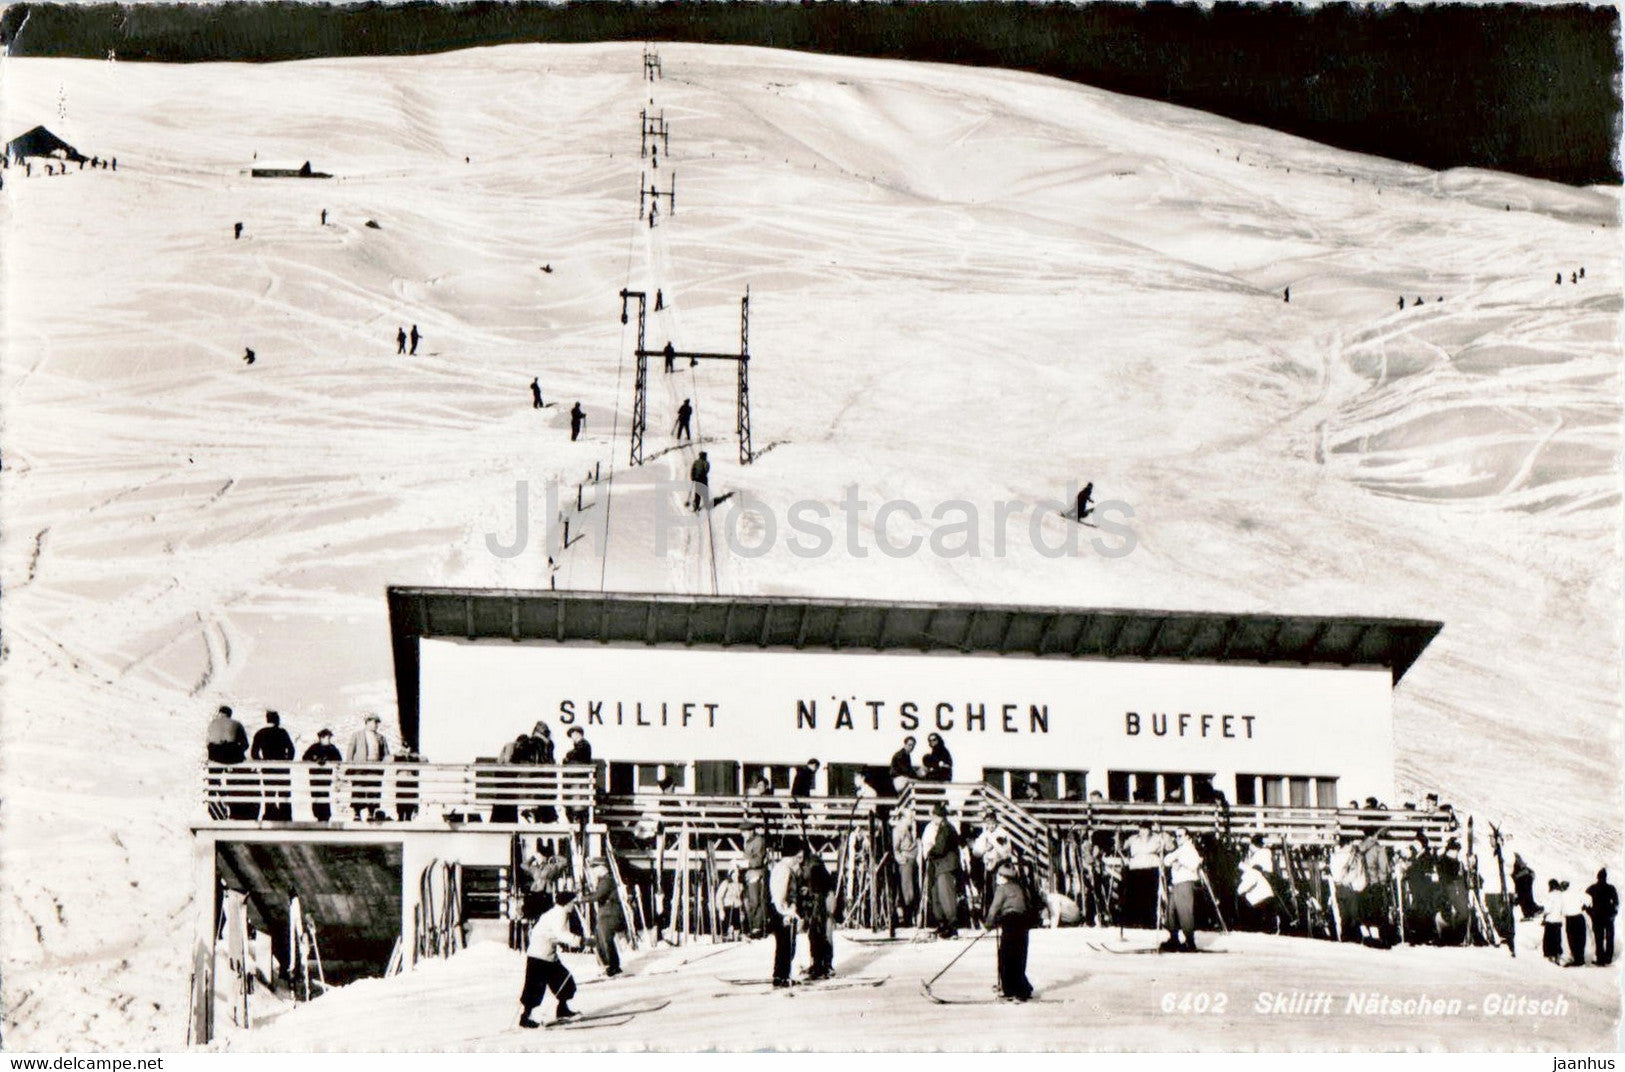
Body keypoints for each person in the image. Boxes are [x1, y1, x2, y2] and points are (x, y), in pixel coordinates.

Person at [518, 889, 583, 1026]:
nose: (574, 905)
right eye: (573, 902)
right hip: (539, 956)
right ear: (566, 903)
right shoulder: (558, 915)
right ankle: (525, 1018)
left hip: (548, 955)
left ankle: (563, 1010)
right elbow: (561, 934)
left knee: (565, 982)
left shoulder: (558, 912)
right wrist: (581, 941)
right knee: (534, 989)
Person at [985, 862, 1035, 1000]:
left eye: (998, 876)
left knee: (1006, 956)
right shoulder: (1022, 888)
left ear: (1003, 877)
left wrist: (989, 923)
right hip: (1023, 923)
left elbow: (994, 908)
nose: (996, 878)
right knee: (1019, 956)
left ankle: (1010, 989)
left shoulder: (1002, 889)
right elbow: (1029, 904)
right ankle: (1022, 988)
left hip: (1010, 922)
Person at [768, 840, 806, 987]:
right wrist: (786, 912)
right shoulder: (784, 870)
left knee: (785, 945)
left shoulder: (782, 868)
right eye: (797, 858)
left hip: (784, 910)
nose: (798, 862)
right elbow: (780, 892)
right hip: (784, 911)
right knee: (786, 945)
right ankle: (781, 976)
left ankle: (782, 974)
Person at [581, 858, 626, 976]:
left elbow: (598, 896)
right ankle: (609, 965)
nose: (593, 872)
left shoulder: (607, 881)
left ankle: (613, 966)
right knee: (601, 940)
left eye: (595, 869)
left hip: (609, 914)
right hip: (605, 914)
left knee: (606, 940)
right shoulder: (603, 881)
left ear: (601, 868)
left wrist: (581, 899)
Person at [924, 803, 962, 937]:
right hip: (940, 866)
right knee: (937, 895)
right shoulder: (943, 827)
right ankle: (943, 924)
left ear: (937, 816)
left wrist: (930, 852)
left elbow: (940, 848)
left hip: (946, 865)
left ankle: (952, 925)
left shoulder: (946, 829)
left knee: (946, 896)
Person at [1162, 828, 1204, 952]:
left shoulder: (1190, 849)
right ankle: (1173, 939)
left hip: (1185, 883)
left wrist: (1180, 862)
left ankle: (1190, 942)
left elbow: (1195, 864)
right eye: (1176, 836)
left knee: (1185, 913)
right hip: (1176, 884)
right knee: (1171, 913)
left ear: (1188, 837)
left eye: (1180, 836)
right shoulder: (1180, 849)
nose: (1177, 838)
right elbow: (1167, 860)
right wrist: (1175, 860)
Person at [251, 711, 296, 821]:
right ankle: (285, 817)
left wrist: (261, 762)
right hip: (282, 768)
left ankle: (270, 814)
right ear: (277, 720)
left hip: (268, 768)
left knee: (269, 793)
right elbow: (291, 749)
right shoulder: (282, 732)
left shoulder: (261, 733)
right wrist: (287, 761)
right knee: (284, 793)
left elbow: (254, 752)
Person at [346, 713, 391, 820]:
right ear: (367, 723)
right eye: (372, 722)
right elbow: (350, 752)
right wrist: (349, 765)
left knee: (373, 790)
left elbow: (386, 754)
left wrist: (382, 765)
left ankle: (371, 812)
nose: (375, 725)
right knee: (358, 789)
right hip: (360, 767)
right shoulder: (357, 735)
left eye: (376, 723)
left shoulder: (381, 737)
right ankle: (357, 813)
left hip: (375, 767)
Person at [801, 848, 836, 980]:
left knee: (818, 933)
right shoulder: (817, 866)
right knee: (822, 934)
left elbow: (817, 888)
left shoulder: (812, 867)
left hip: (821, 904)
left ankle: (820, 964)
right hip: (823, 903)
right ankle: (824, 964)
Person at [1236, 835, 1279, 934]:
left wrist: (1239, 891)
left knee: (1247, 905)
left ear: (1252, 845)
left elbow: (1252, 875)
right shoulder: (1266, 854)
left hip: (1260, 895)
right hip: (1266, 892)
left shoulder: (1258, 857)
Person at [302, 728, 342, 821]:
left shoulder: (332, 748)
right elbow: (305, 758)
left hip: (326, 777)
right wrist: (315, 760)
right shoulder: (314, 747)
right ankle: (317, 814)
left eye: (329, 737)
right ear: (321, 738)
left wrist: (327, 761)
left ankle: (325, 816)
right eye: (326, 737)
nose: (328, 739)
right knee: (315, 794)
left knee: (324, 794)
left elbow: (339, 759)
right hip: (315, 777)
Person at [891, 808, 919, 925]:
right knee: (907, 890)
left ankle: (909, 916)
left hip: (912, 861)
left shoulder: (909, 829)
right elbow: (895, 848)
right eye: (909, 817)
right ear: (902, 818)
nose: (912, 820)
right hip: (906, 861)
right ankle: (907, 918)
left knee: (912, 889)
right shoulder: (898, 830)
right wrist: (899, 858)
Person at [742, 819, 769, 938]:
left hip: (756, 873)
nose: (743, 834)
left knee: (756, 901)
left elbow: (758, 860)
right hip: (750, 874)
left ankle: (757, 928)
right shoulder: (749, 841)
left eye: (745, 831)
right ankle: (753, 926)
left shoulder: (758, 841)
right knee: (751, 901)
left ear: (751, 831)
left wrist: (746, 863)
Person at [1586, 869, 1617, 967]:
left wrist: (1590, 912)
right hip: (1608, 917)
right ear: (1605, 877)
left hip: (1597, 917)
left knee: (1598, 938)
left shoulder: (1592, 888)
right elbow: (1616, 902)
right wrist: (1613, 913)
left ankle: (1600, 959)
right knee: (1609, 937)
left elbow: (1585, 901)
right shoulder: (1611, 888)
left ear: (1597, 877)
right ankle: (1608, 958)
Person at [1562, 880, 1592, 966]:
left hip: (1569, 919)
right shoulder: (1576, 893)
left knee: (1572, 939)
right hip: (1579, 917)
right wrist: (1584, 907)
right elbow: (1589, 898)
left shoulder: (1562, 895)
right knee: (1581, 939)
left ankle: (1577, 959)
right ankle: (1580, 958)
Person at [1542, 880, 1566, 963]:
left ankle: (1550, 956)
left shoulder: (1550, 895)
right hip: (1558, 920)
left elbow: (1547, 909)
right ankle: (1558, 956)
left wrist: (1544, 916)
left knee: (1549, 939)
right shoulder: (1562, 895)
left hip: (1550, 920)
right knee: (1557, 939)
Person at [1513, 854, 1541, 920]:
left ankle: (1531, 912)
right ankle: (1532, 910)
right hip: (1526, 874)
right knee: (1526, 894)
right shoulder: (1514, 854)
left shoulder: (1509, 854)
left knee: (1523, 895)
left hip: (1522, 876)